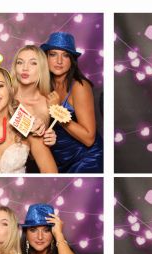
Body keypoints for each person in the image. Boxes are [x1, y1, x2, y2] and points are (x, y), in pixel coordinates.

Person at [41, 32, 103, 173]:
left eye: (65, 55)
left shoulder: (80, 87)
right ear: (46, 58)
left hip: (86, 160)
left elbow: (88, 138)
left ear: (72, 60)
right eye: (53, 54)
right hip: (59, 160)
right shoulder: (44, 86)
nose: (59, 61)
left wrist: (57, 110)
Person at [11, 45, 56, 144]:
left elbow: (41, 122)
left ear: (42, 68)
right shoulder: (4, 93)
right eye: (20, 62)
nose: (25, 68)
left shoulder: (46, 102)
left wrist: (47, 135)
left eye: (33, 63)